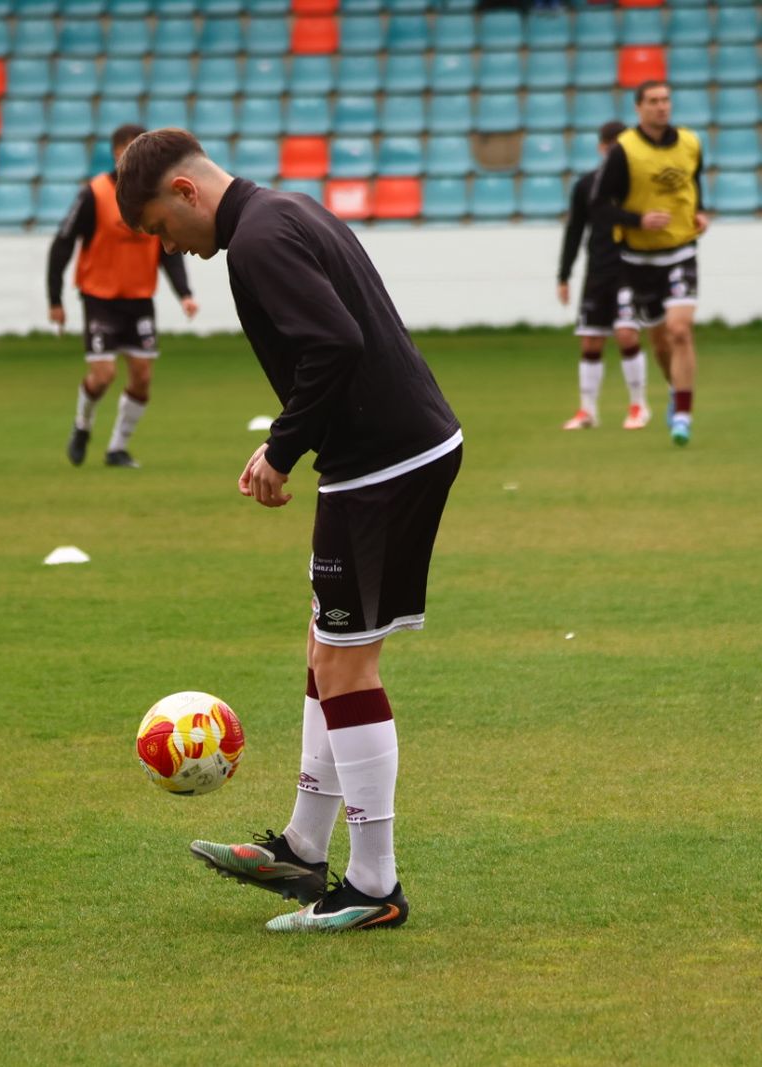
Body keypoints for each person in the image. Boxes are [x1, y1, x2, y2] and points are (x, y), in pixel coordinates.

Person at [116, 129, 462, 933]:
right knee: (324, 648)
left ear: (185, 192)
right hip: (379, 455)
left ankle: (375, 885)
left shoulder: (258, 241)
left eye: (164, 231)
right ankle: (305, 846)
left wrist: (282, 447)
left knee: (347, 667)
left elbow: (334, 343)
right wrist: (292, 439)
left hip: (384, 462)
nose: (177, 251)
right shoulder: (283, 212)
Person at [48, 124, 199, 469]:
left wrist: (185, 293)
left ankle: (117, 448)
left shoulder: (155, 196)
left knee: (142, 377)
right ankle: (83, 425)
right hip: (100, 297)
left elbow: (168, 249)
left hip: (139, 298)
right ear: (117, 154)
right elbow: (62, 243)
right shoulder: (94, 194)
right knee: (103, 376)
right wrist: (55, 300)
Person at [591, 79, 710, 446]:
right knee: (660, 343)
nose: (662, 106)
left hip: (681, 251)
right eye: (654, 101)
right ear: (639, 108)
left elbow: (694, 184)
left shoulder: (690, 143)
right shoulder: (624, 151)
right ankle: (676, 389)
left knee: (680, 331)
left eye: (666, 100)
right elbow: (599, 206)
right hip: (639, 258)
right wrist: (637, 221)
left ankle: (684, 416)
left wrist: (700, 211)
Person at [557, 121, 650, 431]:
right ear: (601, 148)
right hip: (598, 269)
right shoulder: (586, 186)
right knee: (591, 342)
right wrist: (564, 275)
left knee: (626, 333)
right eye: (610, 147)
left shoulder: (638, 184)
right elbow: (575, 231)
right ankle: (588, 411)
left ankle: (638, 405)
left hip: (631, 267)